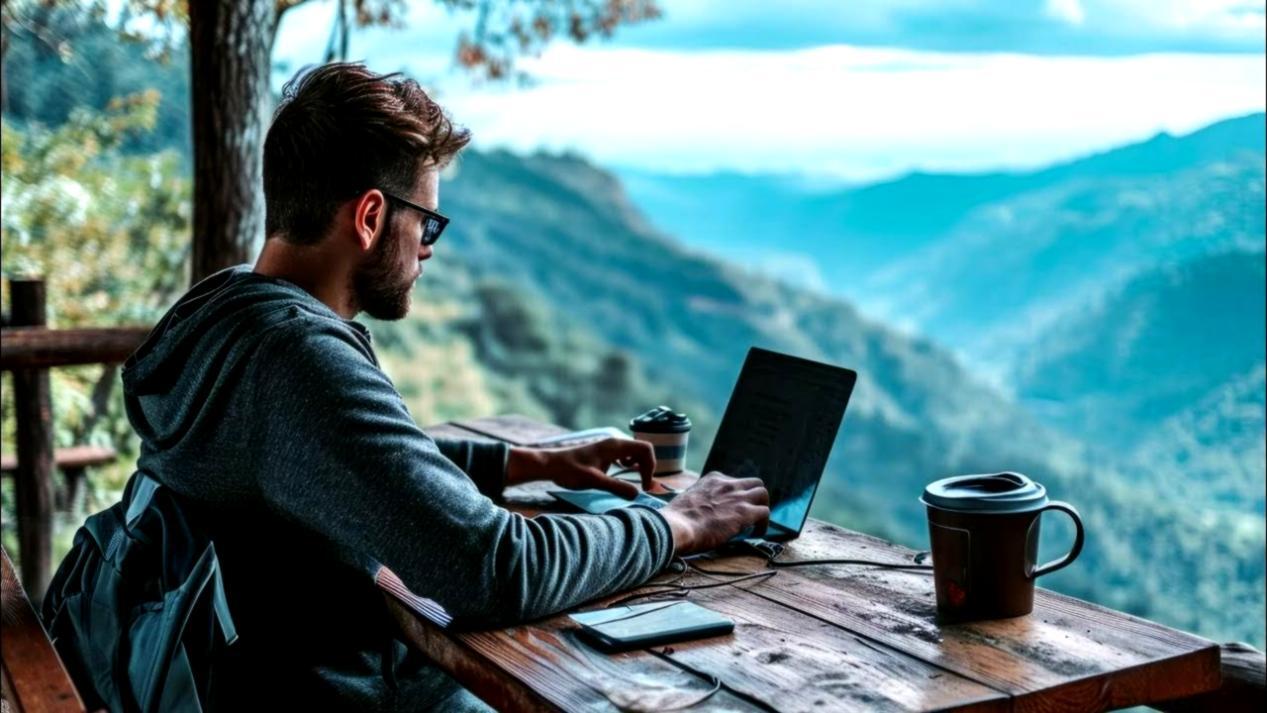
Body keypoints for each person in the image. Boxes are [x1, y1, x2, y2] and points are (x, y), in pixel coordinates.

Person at [120, 61, 770, 711]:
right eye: (427, 223)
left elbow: (335, 465)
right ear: (371, 215)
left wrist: (526, 462)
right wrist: (676, 521)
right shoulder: (297, 362)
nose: (430, 248)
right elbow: (492, 569)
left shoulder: (223, 313)